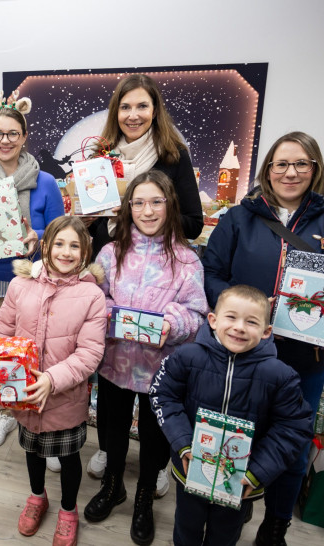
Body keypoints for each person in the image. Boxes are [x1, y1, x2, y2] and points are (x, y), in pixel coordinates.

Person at [202, 131, 324, 545]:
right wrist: (236, 314)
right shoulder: (238, 218)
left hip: (302, 358)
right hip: (242, 353)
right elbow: (211, 273)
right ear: (268, 169)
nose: (290, 172)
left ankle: (276, 523)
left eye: (301, 164)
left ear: (315, 169)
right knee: (239, 433)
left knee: (293, 448)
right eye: (281, 163)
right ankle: (234, 503)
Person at [86, 73, 204, 490]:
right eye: (125, 106)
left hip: (158, 283)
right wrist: (93, 218)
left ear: (155, 110)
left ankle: (153, 466)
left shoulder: (172, 155)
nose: (133, 115)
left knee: (157, 402)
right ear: (115, 112)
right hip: (114, 270)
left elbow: (193, 222)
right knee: (113, 395)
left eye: (142, 106)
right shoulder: (99, 158)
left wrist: (146, 216)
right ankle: (111, 456)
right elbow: (88, 224)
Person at [83, 171, 208, 545]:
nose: (147, 210)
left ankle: (143, 500)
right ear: (127, 208)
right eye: (138, 202)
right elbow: (94, 296)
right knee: (111, 430)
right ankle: (112, 486)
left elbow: (197, 312)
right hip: (115, 362)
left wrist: (174, 323)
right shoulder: (110, 252)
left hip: (161, 370)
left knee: (155, 439)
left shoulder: (186, 260)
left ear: (170, 206)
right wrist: (106, 311)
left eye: (156, 202)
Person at [150, 285, 313, 546]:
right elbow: (163, 395)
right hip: (190, 467)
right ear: (212, 321)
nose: (239, 327)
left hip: (242, 479)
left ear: (266, 332)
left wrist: (258, 471)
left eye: (251, 322)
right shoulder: (186, 356)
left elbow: (294, 427)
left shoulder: (280, 376)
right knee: (186, 528)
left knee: (225, 535)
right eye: (231, 317)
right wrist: (183, 443)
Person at [0, 216, 107, 546]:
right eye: (59, 244)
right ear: (46, 246)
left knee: (69, 457)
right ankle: (37, 496)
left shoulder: (91, 295)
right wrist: (1, 373)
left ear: (85, 251)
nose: (66, 252)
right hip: (25, 393)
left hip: (65, 398)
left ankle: (68, 510)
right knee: (32, 450)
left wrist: (52, 380)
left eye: (75, 245)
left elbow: (89, 353)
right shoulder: (20, 285)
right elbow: (2, 333)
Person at [0, 92, 64, 458]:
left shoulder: (46, 183)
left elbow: (60, 236)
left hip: (33, 286)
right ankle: (7, 413)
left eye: (12, 133)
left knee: (39, 356)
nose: (4, 140)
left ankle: (46, 426)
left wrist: (38, 237)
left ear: (24, 136)